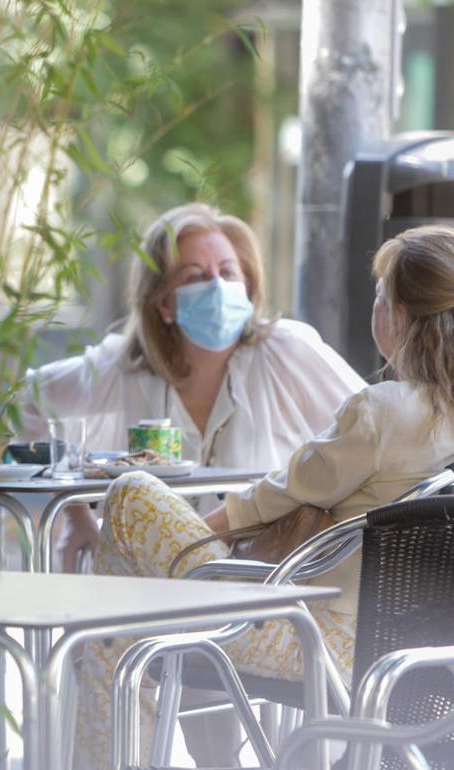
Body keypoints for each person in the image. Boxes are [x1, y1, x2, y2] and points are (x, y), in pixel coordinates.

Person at [71, 224, 454, 770]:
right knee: (122, 624)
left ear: (398, 316)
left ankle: (105, 743)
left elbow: (268, 499)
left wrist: (178, 554)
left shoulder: (384, 410)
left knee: (131, 498)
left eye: (379, 296)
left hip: (310, 639)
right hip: (407, 647)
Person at [21, 202, 366, 764]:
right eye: (196, 276)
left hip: (263, 579)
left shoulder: (286, 352)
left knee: (120, 571)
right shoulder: (123, 367)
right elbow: (28, 403)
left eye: (229, 274)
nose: (219, 287)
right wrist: (78, 520)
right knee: (124, 608)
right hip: (168, 589)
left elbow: (371, 429)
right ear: (163, 301)